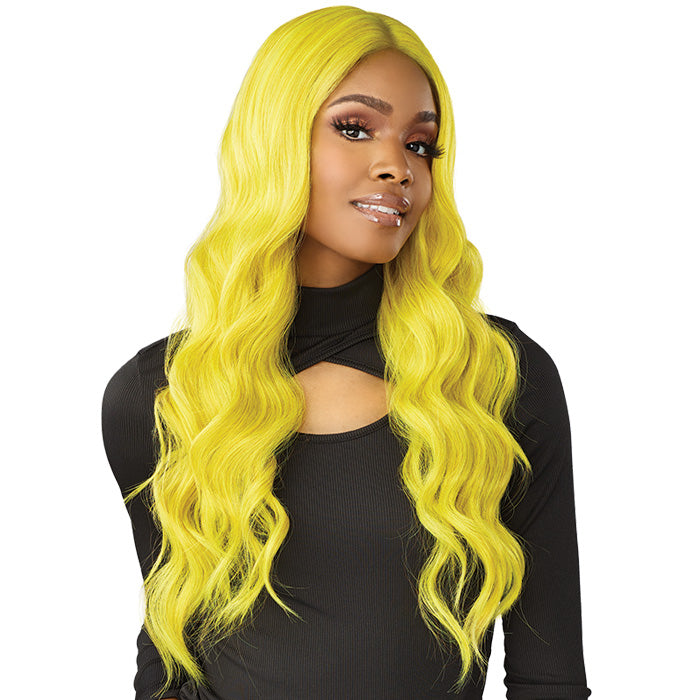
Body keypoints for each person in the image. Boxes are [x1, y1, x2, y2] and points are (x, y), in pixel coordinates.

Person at [101, 6, 591, 699]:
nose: (397, 167)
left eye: (420, 145)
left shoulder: (491, 376)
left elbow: (550, 678)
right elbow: (167, 662)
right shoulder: (166, 392)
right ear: (275, 139)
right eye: (355, 128)